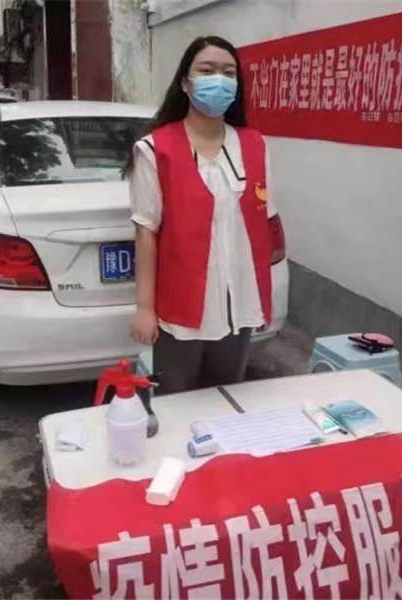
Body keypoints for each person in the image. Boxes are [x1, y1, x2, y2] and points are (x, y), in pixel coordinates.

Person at [124, 36, 279, 395]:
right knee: (177, 400)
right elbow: (146, 232)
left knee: (227, 397)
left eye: (228, 73)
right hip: (182, 307)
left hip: (239, 302)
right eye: (207, 71)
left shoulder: (255, 145)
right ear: (185, 82)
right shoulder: (155, 149)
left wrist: (262, 298)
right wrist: (145, 308)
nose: (218, 80)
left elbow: (262, 225)